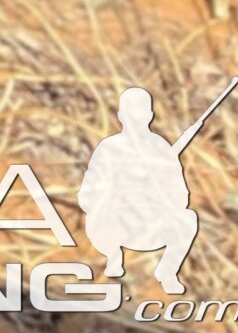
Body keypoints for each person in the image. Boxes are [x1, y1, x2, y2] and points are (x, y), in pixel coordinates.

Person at [80, 88, 202, 293]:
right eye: (131, 112)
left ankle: (168, 271)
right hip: (115, 221)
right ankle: (113, 258)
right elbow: (89, 192)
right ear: (121, 116)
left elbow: (181, 194)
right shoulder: (109, 148)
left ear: (150, 116)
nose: (136, 118)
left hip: (150, 225)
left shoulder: (161, 148)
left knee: (188, 219)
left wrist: (159, 190)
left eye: (140, 112)